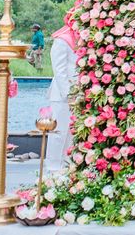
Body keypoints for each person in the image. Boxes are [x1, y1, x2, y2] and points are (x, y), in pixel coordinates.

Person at [45, 13, 77, 172]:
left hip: (77, 94)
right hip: (62, 94)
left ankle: (67, 166)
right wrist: (69, 93)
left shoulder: (80, 38)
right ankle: (52, 167)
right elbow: (59, 70)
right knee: (58, 132)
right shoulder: (62, 39)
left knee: (71, 134)